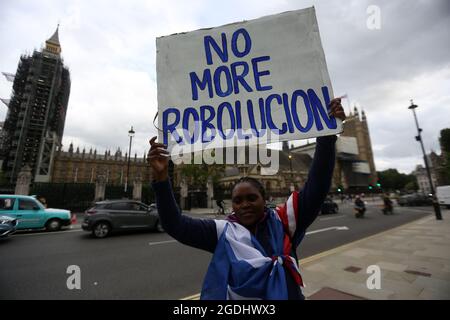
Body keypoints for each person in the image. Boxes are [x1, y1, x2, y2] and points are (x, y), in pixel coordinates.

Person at [148, 98, 346, 300]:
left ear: (264, 199)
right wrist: (162, 180)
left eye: (252, 198)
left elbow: (318, 185)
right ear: (232, 204)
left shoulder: (284, 222)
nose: (245, 205)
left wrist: (327, 135)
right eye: (238, 200)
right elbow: (175, 225)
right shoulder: (223, 232)